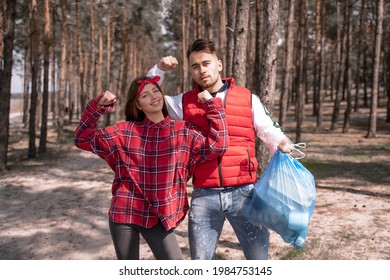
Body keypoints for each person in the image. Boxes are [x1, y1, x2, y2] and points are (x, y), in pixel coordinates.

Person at [147, 38, 293, 260]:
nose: (201, 70)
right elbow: (148, 97)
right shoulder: (184, 102)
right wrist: (159, 70)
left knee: (258, 262)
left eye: (206, 63)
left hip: (244, 194)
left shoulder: (246, 97)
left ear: (219, 64)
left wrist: (281, 142)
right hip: (204, 196)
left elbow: (265, 128)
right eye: (195, 66)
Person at [74, 75, 228, 260]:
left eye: (156, 91)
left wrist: (212, 105)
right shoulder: (123, 131)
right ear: (138, 105)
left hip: (159, 217)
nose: (154, 96)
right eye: (146, 95)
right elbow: (82, 138)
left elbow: (218, 145)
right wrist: (97, 106)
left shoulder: (183, 131)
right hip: (125, 213)